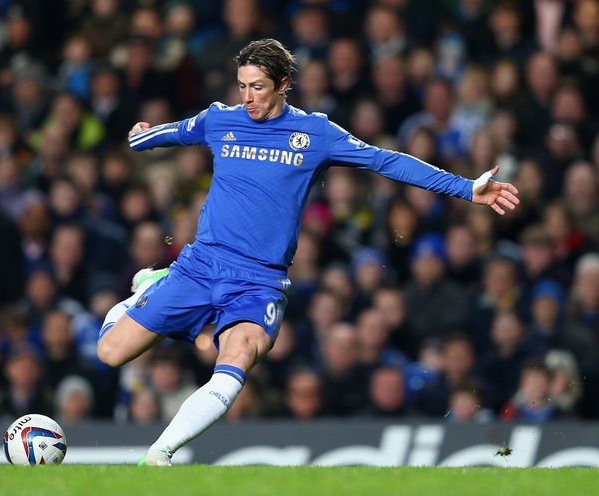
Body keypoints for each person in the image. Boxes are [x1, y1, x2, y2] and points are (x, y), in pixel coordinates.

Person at [96, 38, 520, 466]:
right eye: (242, 86)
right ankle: (149, 288)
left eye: (257, 87)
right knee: (110, 354)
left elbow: (384, 160)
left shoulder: (315, 133)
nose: (247, 97)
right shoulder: (220, 119)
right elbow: (165, 134)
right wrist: (141, 137)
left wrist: (466, 188)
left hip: (259, 281)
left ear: (283, 84)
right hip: (201, 266)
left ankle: (160, 453)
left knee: (239, 356)